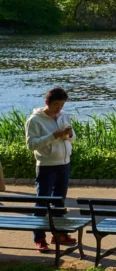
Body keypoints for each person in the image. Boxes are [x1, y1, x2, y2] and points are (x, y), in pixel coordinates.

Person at [24, 87, 76, 252]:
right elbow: (31, 145)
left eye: (62, 104)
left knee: (59, 202)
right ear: (47, 102)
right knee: (42, 203)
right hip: (46, 166)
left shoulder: (63, 116)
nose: (59, 108)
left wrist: (69, 135)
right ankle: (39, 239)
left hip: (64, 163)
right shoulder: (34, 120)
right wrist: (54, 136)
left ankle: (59, 234)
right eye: (56, 105)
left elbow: (73, 138)